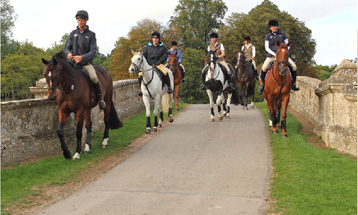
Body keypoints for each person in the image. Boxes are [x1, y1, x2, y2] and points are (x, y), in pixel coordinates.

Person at [64, 10, 106, 109]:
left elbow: (93, 52)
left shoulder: (91, 35)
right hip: (73, 63)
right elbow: (66, 48)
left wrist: (82, 57)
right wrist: (68, 53)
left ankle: (100, 99)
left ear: (86, 21)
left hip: (86, 63)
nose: (80, 22)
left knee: (94, 77)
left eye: (82, 20)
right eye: (78, 20)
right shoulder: (72, 34)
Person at [258, 19, 300, 92]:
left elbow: (288, 45)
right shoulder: (267, 36)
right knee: (264, 68)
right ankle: (262, 85)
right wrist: (274, 54)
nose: (274, 28)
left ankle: (293, 84)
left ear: (277, 26)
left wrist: (284, 51)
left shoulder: (283, 34)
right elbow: (266, 47)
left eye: (275, 26)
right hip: (271, 56)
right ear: (270, 27)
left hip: (282, 56)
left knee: (294, 66)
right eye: (272, 26)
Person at [138, 32, 172, 96]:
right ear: (152, 39)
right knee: (139, 74)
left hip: (159, 64)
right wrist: (146, 63)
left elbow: (165, 55)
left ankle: (169, 87)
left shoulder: (163, 47)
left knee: (165, 72)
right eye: (154, 38)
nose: (155, 39)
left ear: (159, 39)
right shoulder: (146, 47)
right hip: (149, 65)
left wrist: (160, 61)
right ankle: (140, 89)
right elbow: (143, 56)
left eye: (156, 38)